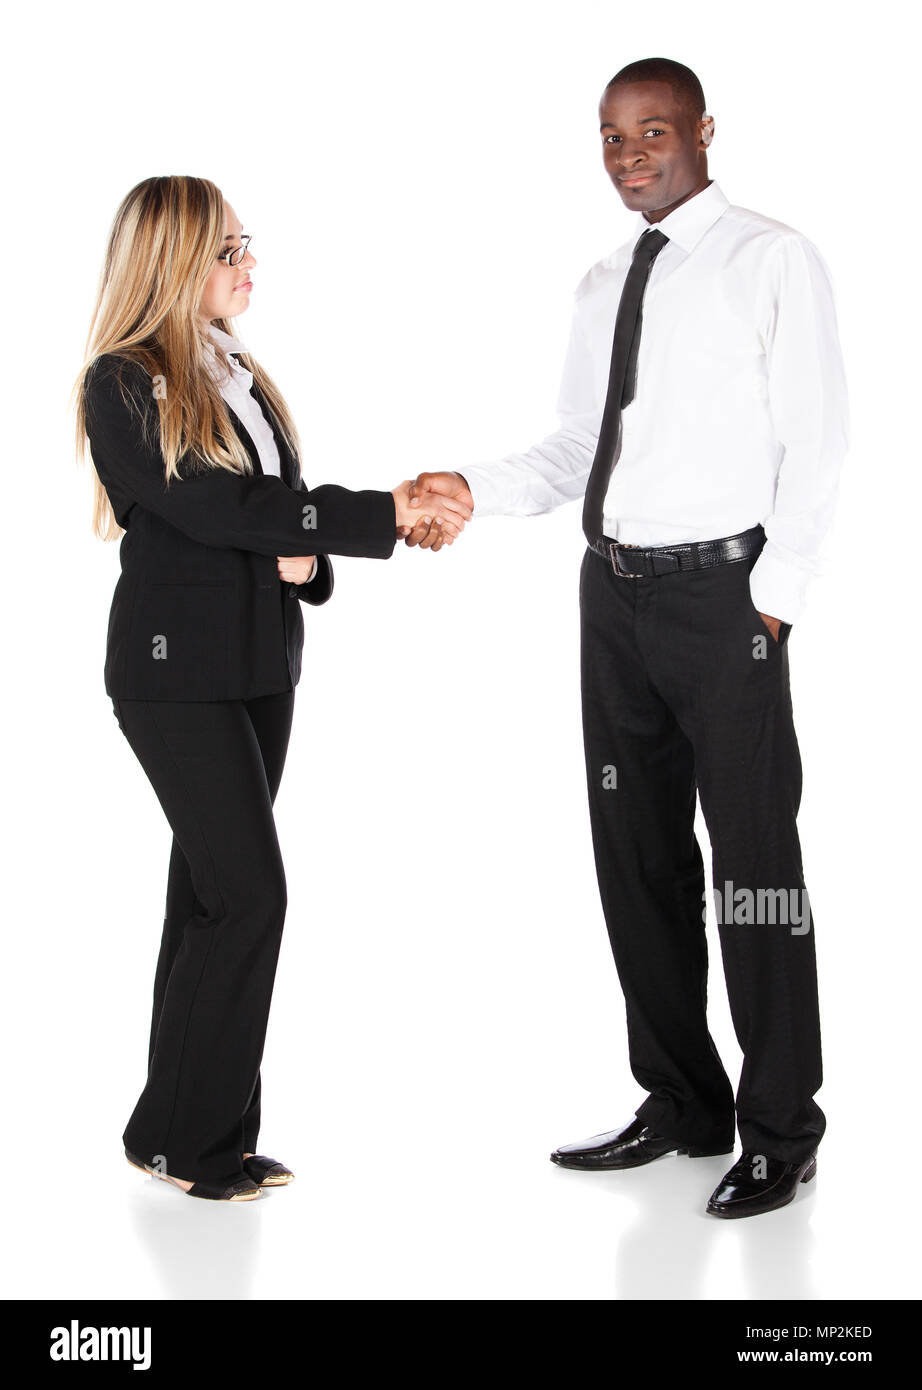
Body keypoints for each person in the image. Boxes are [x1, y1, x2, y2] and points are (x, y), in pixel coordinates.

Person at [402, 56, 849, 1219]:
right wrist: (467, 486)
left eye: (652, 130)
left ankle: (780, 1125)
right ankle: (683, 1101)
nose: (630, 153)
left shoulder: (769, 258)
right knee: (637, 859)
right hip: (612, 599)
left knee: (754, 873)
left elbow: (819, 438)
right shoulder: (603, 278)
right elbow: (571, 450)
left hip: (723, 602)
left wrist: (773, 600)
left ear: (704, 129)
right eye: (610, 136)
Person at [74, 175, 470, 1202]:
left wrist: (313, 559)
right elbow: (212, 507)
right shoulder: (119, 381)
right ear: (170, 263)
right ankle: (195, 1143)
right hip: (174, 678)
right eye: (227, 249)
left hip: (258, 668)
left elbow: (270, 516)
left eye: (246, 242)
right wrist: (380, 516)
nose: (248, 265)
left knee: (210, 896)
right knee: (252, 895)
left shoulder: (237, 369)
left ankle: (177, 1127)